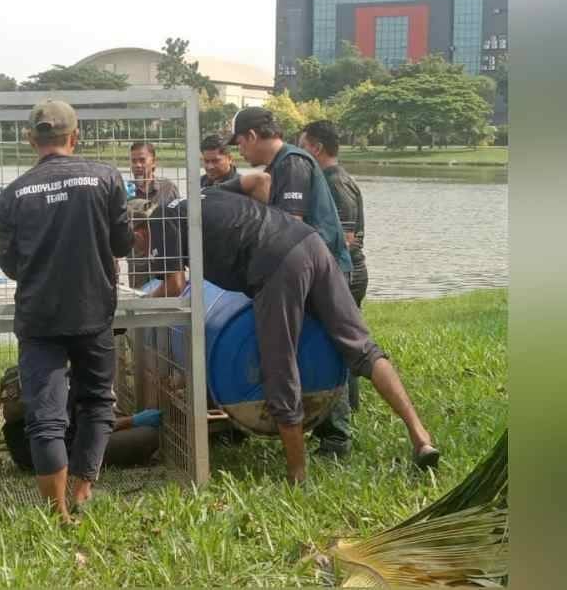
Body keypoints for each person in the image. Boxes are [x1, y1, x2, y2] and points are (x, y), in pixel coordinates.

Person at [128, 190, 440, 484]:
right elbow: (258, 183)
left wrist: (141, 302)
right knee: (360, 347)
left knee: (278, 366)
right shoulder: (197, 196)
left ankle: (297, 473)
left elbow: (174, 284)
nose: (137, 250)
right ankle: (420, 436)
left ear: (140, 229)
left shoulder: (160, 224)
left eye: (134, 243)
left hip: (275, 264)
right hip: (308, 242)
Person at [0, 99, 133, 520]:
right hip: (92, 311)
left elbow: (8, 263)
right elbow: (122, 245)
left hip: (39, 317)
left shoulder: (13, 193)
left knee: (45, 415)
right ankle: (82, 490)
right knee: (96, 402)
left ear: (30, 139)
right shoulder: (107, 178)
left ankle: (56, 511)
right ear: (75, 137)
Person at [224, 107, 354, 457]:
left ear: (252, 136)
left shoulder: (292, 164)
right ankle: (323, 426)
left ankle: (337, 436)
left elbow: (288, 226)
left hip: (320, 267)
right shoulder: (279, 166)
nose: (240, 152)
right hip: (308, 266)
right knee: (321, 344)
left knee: (328, 345)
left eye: (239, 143)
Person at [299, 120, 368, 412]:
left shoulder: (334, 183)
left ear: (316, 148)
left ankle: (343, 412)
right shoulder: (326, 180)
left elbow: (346, 239)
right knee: (342, 342)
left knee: (343, 342)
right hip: (338, 272)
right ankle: (347, 407)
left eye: (302, 148)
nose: (300, 155)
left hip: (345, 273)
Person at [0, 367, 162, 472]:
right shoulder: (54, 400)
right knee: (149, 435)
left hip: (33, 459)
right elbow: (95, 428)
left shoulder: (15, 422)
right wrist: (134, 420)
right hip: (74, 455)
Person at [127, 142, 180, 288]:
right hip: (138, 265)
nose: (137, 165)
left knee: (167, 303)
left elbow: (178, 223)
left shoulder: (168, 189)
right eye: (133, 161)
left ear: (153, 162)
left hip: (165, 261)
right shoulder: (124, 192)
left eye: (142, 160)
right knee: (140, 302)